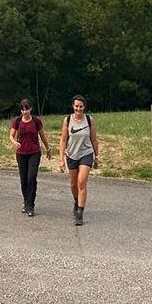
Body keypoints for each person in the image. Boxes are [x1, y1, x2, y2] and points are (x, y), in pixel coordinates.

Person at [58, 94, 99, 226]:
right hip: (71, 155)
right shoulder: (67, 120)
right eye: (76, 106)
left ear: (84, 107)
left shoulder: (89, 120)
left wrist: (96, 157)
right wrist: (61, 159)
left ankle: (80, 213)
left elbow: (94, 139)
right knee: (73, 185)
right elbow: (63, 140)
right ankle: (76, 201)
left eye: (81, 106)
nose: (78, 109)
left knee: (81, 182)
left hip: (86, 154)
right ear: (73, 106)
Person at [8, 98, 52, 216]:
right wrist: (14, 142)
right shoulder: (17, 121)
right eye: (22, 110)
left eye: (26, 109)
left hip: (34, 152)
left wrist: (48, 148)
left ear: (31, 109)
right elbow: (11, 135)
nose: (24, 112)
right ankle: (26, 202)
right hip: (21, 153)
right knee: (24, 179)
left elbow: (42, 135)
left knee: (31, 178)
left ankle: (31, 205)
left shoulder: (36, 121)